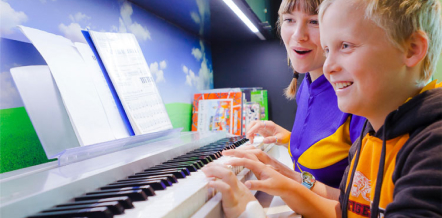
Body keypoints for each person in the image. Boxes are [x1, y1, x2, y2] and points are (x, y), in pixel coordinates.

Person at [202, 0, 442, 217]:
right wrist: (287, 179)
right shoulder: (371, 134)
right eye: (327, 50)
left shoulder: (433, 149)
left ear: (411, 49)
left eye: (346, 46)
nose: (328, 67)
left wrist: (250, 213)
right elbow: (345, 210)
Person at [233, 0, 365, 191]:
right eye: (289, 20)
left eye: (314, 21)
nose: (298, 35)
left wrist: (291, 179)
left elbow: (359, 205)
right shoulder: (305, 87)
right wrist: (289, 139)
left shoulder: (355, 96)